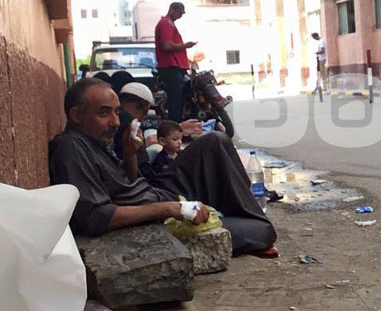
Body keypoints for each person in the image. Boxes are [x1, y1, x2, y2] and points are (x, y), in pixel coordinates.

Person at [49, 78, 276, 254]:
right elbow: (96, 216)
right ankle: (241, 217)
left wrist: (130, 154)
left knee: (214, 141)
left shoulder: (93, 140)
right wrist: (171, 209)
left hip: (156, 192)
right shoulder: (71, 147)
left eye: (116, 112)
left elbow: (125, 183)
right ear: (76, 115)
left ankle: (243, 211)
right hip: (155, 216)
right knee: (261, 232)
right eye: (104, 113)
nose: (115, 122)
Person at [155, 2, 197, 122]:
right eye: (179, 13)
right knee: (175, 101)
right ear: (172, 10)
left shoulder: (169, 24)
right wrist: (185, 46)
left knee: (179, 99)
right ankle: (175, 125)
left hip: (175, 66)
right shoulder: (166, 24)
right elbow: (167, 45)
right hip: (171, 66)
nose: (180, 16)